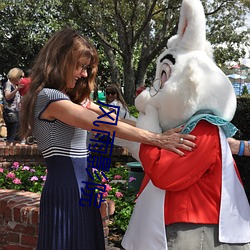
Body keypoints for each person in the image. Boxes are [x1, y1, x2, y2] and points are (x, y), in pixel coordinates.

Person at [19, 28, 196, 250]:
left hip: (82, 186)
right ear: (61, 60)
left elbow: (115, 120)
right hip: (67, 189)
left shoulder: (69, 100)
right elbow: (103, 125)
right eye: (80, 66)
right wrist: (158, 139)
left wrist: (162, 127)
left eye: (86, 68)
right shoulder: (49, 97)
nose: (83, 74)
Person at [3, 68, 24, 146]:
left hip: (16, 112)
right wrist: (17, 89)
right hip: (10, 112)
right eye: (20, 76)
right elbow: (7, 96)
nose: (22, 79)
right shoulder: (8, 84)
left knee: (17, 136)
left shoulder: (15, 85)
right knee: (11, 135)